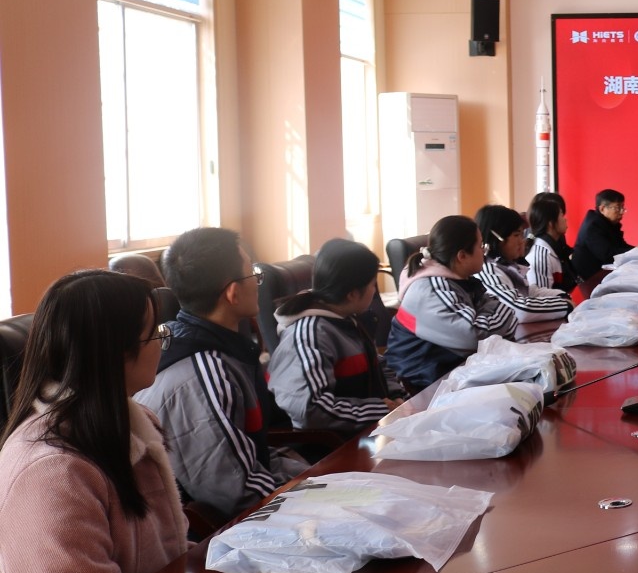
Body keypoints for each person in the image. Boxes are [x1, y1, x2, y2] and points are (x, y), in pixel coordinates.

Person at [0, 270, 188, 573]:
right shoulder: (50, 473)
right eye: (154, 333)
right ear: (115, 352)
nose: (163, 341)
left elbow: (168, 552)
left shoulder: (134, 423)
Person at [137, 228, 307, 522]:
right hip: (218, 532)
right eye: (252, 273)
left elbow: (250, 453)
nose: (258, 281)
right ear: (233, 293)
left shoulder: (222, 349)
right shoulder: (203, 372)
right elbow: (237, 492)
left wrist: (314, 477)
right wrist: (316, 498)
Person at [266, 239, 399, 437]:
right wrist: (380, 409)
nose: (374, 291)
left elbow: (377, 365)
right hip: (330, 445)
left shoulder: (347, 319)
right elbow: (311, 409)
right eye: (373, 284)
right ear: (352, 294)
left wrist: (397, 397)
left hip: (367, 432)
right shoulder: (309, 335)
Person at [386, 215, 517, 390]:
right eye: (480, 246)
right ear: (462, 256)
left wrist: (498, 313)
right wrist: (503, 311)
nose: (484, 251)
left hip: (451, 374)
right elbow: (475, 336)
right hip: (421, 387)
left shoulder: (460, 281)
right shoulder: (431, 289)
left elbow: (499, 322)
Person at [475, 203, 572, 337]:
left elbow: (529, 291)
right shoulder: (488, 270)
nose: (522, 241)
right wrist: (565, 305)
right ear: (497, 238)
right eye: (517, 235)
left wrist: (561, 296)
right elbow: (519, 309)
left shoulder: (505, 266)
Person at [572, 189, 633, 280]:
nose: (621, 212)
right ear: (602, 209)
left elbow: (621, 246)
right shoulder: (593, 226)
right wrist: (636, 251)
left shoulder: (609, 224)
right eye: (617, 208)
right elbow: (608, 255)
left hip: (602, 273)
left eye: (622, 207)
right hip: (587, 279)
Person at [526, 192, 576, 293]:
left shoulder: (553, 246)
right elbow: (542, 298)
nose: (565, 219)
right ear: (550, 223)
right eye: (561, 215)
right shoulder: (541, 255)